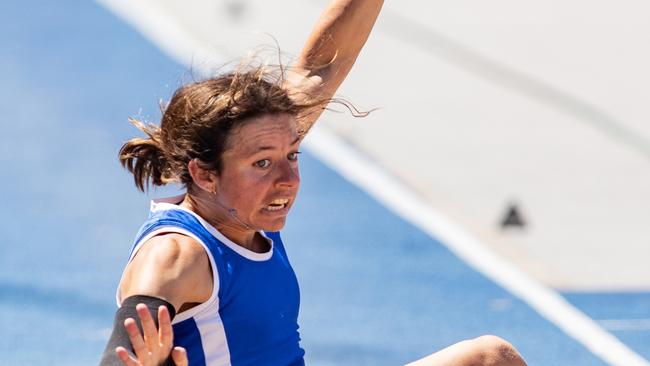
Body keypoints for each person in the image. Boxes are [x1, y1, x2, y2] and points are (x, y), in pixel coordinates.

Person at [99, 1, 527, 365]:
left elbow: (319, 66)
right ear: (204, 173)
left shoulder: (243, 201)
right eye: (263, 164)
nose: (287, 180)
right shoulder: (176, 257)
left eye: (293, 156)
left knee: (491, 359)